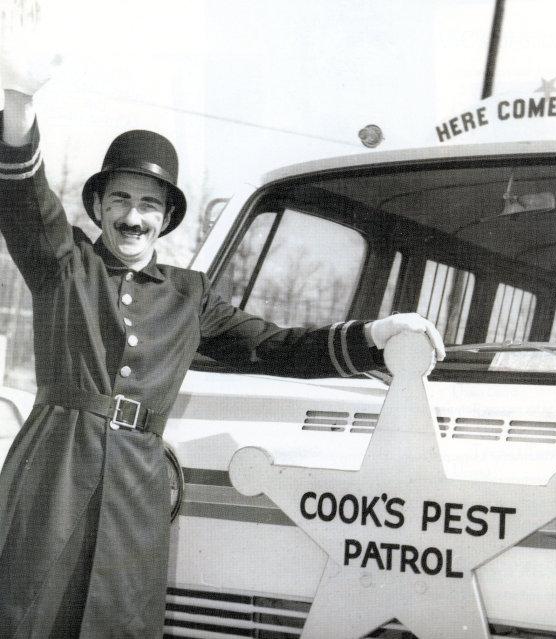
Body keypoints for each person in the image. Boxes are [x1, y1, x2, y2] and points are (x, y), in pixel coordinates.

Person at [0, 46, 445, 638]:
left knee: (117, 623)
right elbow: (26, 204)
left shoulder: (190, 295)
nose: (134, 218)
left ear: (166, 217)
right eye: (121, 201)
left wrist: (372, 336)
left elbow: (274, 346)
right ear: (100, 208)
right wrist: (19, 104)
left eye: (150, 205)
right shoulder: (65, 265)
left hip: (136, 486)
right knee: (31, 615)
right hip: (55, 470)